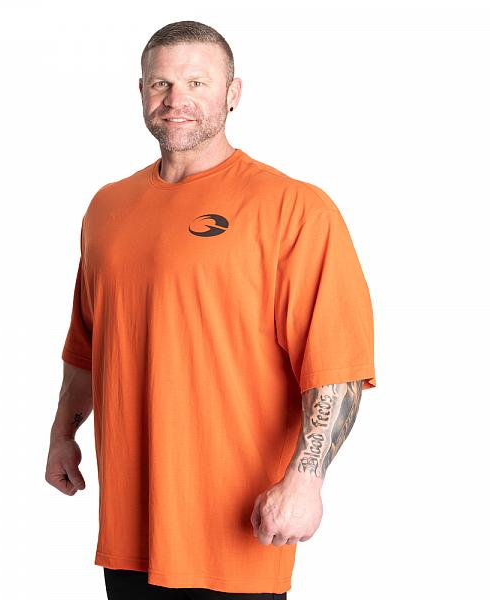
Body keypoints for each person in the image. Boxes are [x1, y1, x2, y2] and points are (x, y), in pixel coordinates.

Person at [45, 20, 376, 600]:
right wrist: (61, 434)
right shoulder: (106, 209)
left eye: (197, 82)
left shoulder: (293, 207)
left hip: (238, 533)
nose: (177, 99)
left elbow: (336, 367)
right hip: (129, 532)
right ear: (142, 91)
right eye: (161, 84)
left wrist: (306, 480)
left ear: (233, 92)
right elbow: (89, 345)